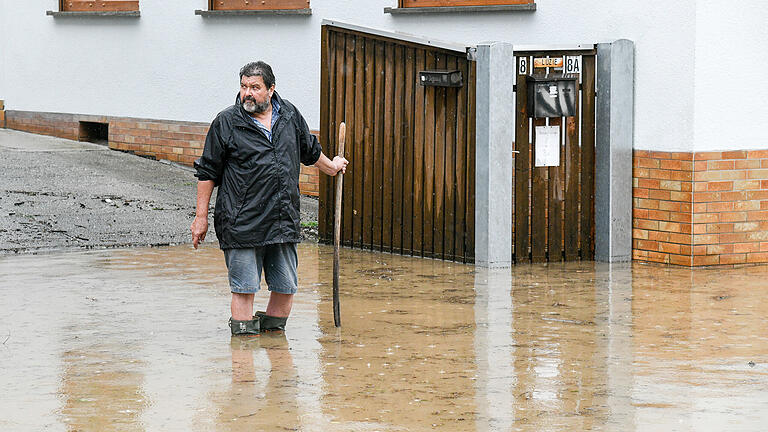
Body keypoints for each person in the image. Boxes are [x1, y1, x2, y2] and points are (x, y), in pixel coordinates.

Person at [191, 61, 348, 336]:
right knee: (244, 289)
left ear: (271, 89)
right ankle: (243, 363)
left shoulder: (288, 115)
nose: (247, 93)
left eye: (255, 87)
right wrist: (200, 217)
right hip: (241, 222)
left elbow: (309, 151)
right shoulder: (227, 122)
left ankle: (276, 358)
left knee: (285, 287)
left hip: (281, 219)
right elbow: (207, 172)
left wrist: (332, 167)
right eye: (243, 87)